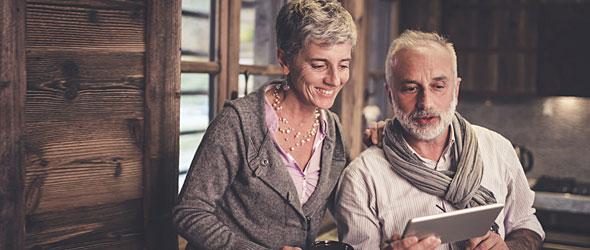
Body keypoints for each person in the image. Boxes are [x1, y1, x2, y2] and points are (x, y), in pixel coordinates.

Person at [333, 30, 545, 250]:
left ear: (455, 89)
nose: (426, 103)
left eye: (438, 86)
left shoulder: (498, 149)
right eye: (410, 88)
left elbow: (527, 224)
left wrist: (509, 248)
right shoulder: (361, 178)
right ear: (390, 95)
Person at [173, 1, 357, 249]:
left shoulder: (332, 129)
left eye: (343, 65)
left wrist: (384, 146)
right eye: (319, 65)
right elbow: (189, 212)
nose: (335, 79)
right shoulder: (238, 122)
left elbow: (349, 204)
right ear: (285, 60)